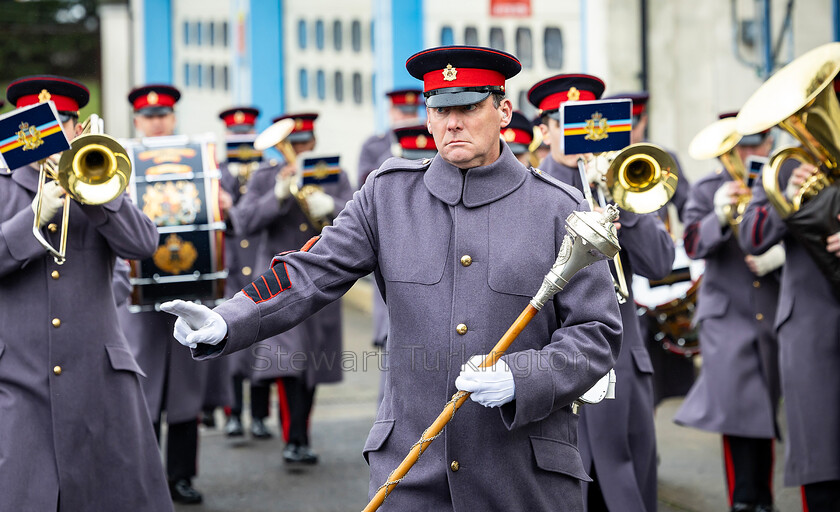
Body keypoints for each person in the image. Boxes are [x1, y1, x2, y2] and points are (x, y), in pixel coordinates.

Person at [164, 45, 623, 511]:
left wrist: (522, 376)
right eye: (441, 109)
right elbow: (311, 271)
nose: (453, 122)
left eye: (469, 106)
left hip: (522, 477)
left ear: (503, 110)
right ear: (427, 118)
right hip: (411, 471)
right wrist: (229, 318)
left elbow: (596, 335)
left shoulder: (559, 209)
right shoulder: (388, 195)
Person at [0, 75, 172, 511]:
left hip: (99, 378)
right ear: (20, 133)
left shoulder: (100, 176)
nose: (53, 136)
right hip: (19, 378)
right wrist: (32, 219)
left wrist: (94, 194)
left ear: (78, 130)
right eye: (40, 127)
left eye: (64, 124)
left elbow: (142, 245)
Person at [529, 74, 675, 512]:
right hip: (559, 359)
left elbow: (661, 264)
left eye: (595, 123)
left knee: (629, 483)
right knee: (566, 485)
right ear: (545, 129)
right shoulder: (530, 189)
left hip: (622, 362)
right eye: (568, 122)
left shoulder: (620, 185)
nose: (584, 136)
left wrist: (622, 207)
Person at [226, 111, 354, 465]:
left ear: (312, 143)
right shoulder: (266, 175)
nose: (295, 150)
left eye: (301, 143)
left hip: (324, 275)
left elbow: (361, 216)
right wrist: (278, 195)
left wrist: (333, 207)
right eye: (290, 144)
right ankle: (293, 437)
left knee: (311, 362)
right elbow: (243, 222)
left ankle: (300, 433)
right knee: (288, 360)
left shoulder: (332, 173)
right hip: (281, 277)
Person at [674, 113, 781, 512]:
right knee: (737, 413)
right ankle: (743, 500)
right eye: (742, 147)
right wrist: (717, 216)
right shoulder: (706, 190)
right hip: (726, 317)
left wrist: (779, 255)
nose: (750, 153)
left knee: (764, 413)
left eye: (757, 144)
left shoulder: (775, 185)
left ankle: (763, 499)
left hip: (767, 310)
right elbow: (692, 244)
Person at [117, 84, 210, 504]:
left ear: (173, 119)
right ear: (137, 122)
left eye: (163, 115)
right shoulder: (119, 163)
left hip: (190, 292)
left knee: (186, 389)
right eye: (148, 117)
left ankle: (181, 477)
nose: (156, 122)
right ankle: (144, 475)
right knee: (144, 388)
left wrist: (221, 202)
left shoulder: (200, 160)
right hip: (139, 299)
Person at [740, 146, 840, 509]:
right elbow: (751, 235)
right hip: (813, 329)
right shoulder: (788, 164)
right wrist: (785, 199)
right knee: (822, 463)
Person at [602, 91, 698, 407]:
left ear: (643, 121)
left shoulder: (660, 157)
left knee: (655, 375)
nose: (629, 130)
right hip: (625, 281)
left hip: (659, 275)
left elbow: (688, 208)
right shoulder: (600, 164)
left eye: (634, 122)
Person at [213, 106, 273, 439]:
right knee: (230, 337)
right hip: (230, 264)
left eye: (245, 133)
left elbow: (260, 215)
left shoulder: (266, 172)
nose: (240, 140)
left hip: (262, 263)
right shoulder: (217, 172)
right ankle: (233, 412)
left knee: (261, 340)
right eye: (234, 134)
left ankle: (261, 415)